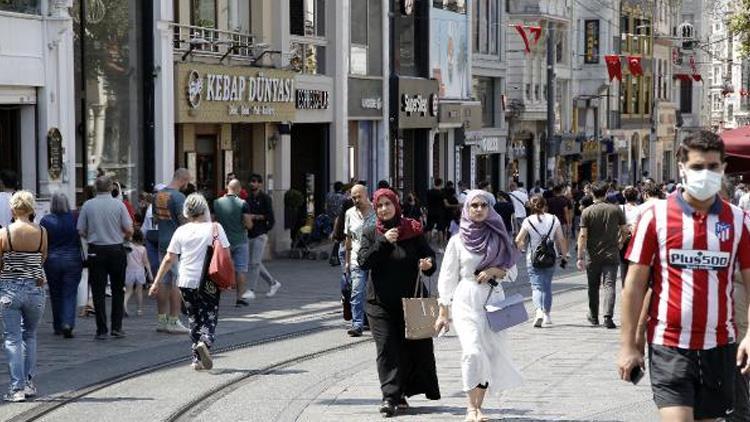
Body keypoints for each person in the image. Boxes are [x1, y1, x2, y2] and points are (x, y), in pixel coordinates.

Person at [618, 130, 750, 422]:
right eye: (698, 167)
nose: (706, 173)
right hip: (669, 345)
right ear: (682, 169)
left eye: (713, 167)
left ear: (723, 168)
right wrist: (629, 345)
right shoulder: (656, 217)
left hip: (720, 346)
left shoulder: (739, 221)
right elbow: (635, 284)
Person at [435, 190, 523, 422]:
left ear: (490, 208)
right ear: (466, 208)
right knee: (473, 352)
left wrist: (495, 271)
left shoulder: (499, 236)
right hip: (466, 299)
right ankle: (469, 407)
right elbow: (447, 276)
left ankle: (478, 407)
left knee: (489, 355)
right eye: (474, 205)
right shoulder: (457, 240)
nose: (478, 209)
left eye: (483, 205)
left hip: (494, 300)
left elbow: (512, 273)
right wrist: (444, 310)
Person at [357, 188, 440, 417]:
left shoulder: (412, 229)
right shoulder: (371, 231)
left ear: (396, 204)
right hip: (379, 303)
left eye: (388, 204)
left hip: (411, 300)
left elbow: (430, 256)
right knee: (386, 348)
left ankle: (401, 392)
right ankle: (389, 397)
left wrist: (428, 263)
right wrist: (383, 242)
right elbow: (364, 262)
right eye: (380, 205)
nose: (384, 209)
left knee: (409, 348)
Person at [149, 194, 231, 371]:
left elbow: (169, 258)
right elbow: (226, 255)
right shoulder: (215, 228)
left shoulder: (181, 231)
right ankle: (205, 342)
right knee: (209, 315)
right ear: (204, 209)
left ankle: (196, 359)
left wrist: (156, 282)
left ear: (187, 211)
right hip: (208, 280)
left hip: (185, 280)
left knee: (194, 317)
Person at [0, 191, 47, 401]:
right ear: (31, 209)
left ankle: (16, 389)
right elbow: (42, 258)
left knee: (12, 338)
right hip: (35, 289)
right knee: (30, 335)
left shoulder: (5, 232)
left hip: (9, 289)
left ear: (13, 209)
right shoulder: (42, 232)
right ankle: (28, 383)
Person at [77, 176, 134, 339]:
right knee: (117, 289)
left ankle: (101, 329)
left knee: (98, 291)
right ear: (111, 188)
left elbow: (80, 230)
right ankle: (116, 327)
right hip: (116, 249)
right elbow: (129, 229)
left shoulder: (88, 205)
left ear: (96, 188)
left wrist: (93, 234)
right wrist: (120, 234)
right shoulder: (119, 205)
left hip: (96, 250)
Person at [577, 181, 627, 329]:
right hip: (611, 254)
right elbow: (625, 230)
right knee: (609, 285)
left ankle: (593, 316)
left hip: (592, 255)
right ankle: (608, 317)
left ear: (592, 194)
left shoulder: (587, 212)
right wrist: (620, 242)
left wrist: (580, 256)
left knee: (593, 286)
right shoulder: (616, 209)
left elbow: (582, 236)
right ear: (606, 193)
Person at [515, 195, 568, 328]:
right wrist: (564, 255)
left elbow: (518, 240)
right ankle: (547, 315)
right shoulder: (554, 218)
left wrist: (520, 248)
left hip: (533, 257)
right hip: (551, 256)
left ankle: (538, 311)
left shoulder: (528, 220)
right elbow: (561, 239)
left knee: (536, 286)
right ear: (545, 205)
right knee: (547, 286)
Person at [153, 170, 192, 334]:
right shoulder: (179, 197)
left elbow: (155, 218)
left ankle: (161, 320)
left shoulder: (159, 195)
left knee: (163, 280)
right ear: (183, 180)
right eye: (187, 181)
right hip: (177, 243)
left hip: (162, 240)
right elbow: (184, 222)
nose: (187, 185)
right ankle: (174, 320)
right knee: (178, 281)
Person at [40, 192, 82, 338]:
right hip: (73, 258)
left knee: (55, 293)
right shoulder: (75, 217)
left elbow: (43, 242)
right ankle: (68, 323)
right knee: (70, 293)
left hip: (52, 259)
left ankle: (58, 325)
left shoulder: (46, 220)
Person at [213, 179, 254, 307]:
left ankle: (214, 298)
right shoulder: (243, 203)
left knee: (218, 269)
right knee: (240, 269)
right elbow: (248, 224)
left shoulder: (216, 203)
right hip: (240, 240)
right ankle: (240, 299)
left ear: (227, 188)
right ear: (239, 189)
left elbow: (212, 221)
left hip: (222, 242)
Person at [344, 184, 376, 337]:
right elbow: (348, 238)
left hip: (376, 259)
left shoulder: (377, 211)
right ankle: (357, 324)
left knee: (374, 293)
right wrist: (347, 261)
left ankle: (373, 321)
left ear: (366, 194)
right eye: (353, 197)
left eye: (359, 196)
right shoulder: (349, 213)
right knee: (357, 291)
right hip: (357, 259)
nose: (356, 200)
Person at [246, 174, 281, 298]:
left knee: (254, 263)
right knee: (254, 262)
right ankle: (273, 283)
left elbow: (270, 217)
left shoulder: (265, 198)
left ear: (260, 184)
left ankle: (251, 290)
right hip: (250, 233)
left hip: (260, 233)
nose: (252, 184)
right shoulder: (248, 199)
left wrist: (264, 229)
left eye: (255, 182)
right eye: (251, 181)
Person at [124, 230, 151, 317]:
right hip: (139, 271)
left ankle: (124, 304)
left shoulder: (128, 247)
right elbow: (146, 262)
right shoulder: (143, 248)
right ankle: (139, 309)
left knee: (128, 290)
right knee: (139, 291)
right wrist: (150, 273)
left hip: (129, 270)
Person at [619, 186, 641, 286]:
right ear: (637, 196)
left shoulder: (620, 208)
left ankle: (624, 288)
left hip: (623, 240)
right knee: (634, 265)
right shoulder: (640, 209)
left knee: (623, 265)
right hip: (635, 240)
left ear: (624, 196)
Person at [426, 178, 446, 246]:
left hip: (431, 211)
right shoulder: (442, 193)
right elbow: (445, 203)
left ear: (434, 182)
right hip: (439, 212)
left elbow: (427, 202)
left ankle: (427, 246)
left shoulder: (429, 192)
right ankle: (440, 247)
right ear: (441, 184)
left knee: (429, 229)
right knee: (440, 229)